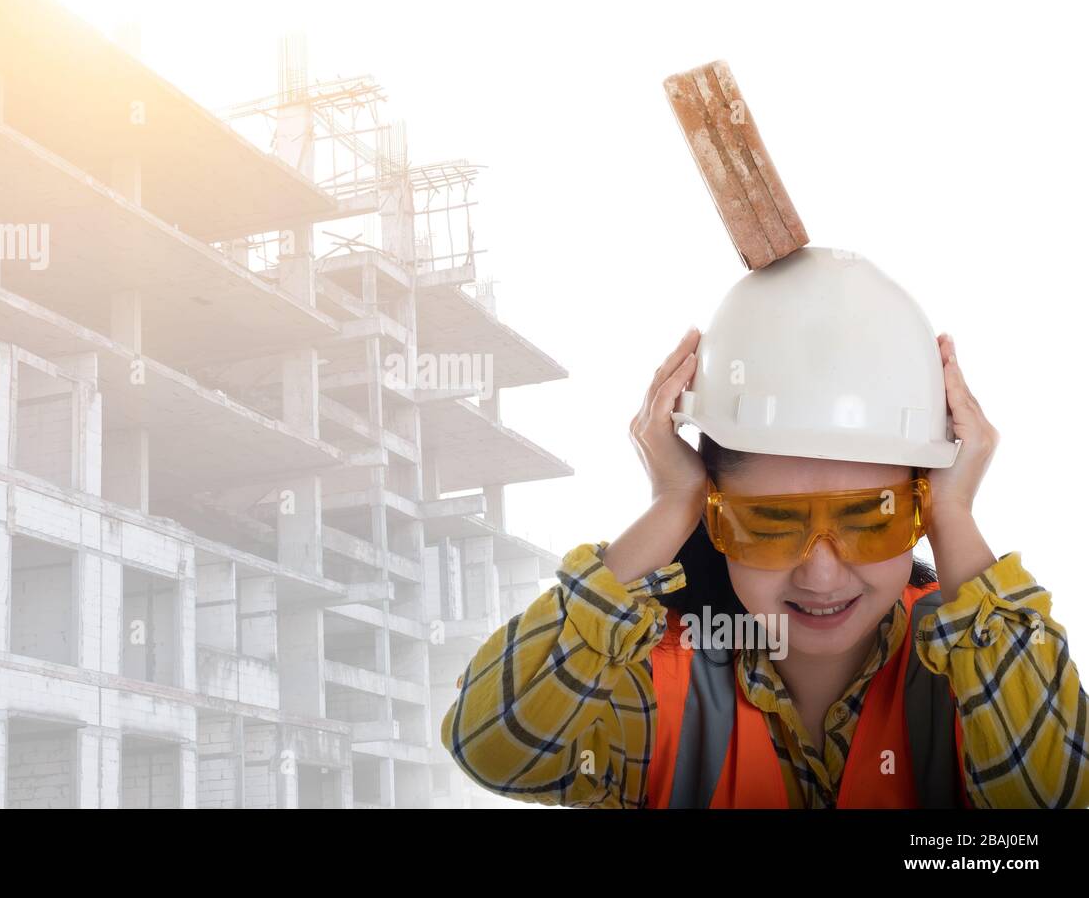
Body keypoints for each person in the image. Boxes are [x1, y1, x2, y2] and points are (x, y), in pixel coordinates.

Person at [440, 248, 1088, 808]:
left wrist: (956, 516)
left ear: (920, 511)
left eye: (869, 519)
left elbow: (1057, 798)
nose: (823, 573)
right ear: (713, 518)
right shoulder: (654, 681)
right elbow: (494, 745)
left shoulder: (972, 677)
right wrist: (672, 500)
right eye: (773, 524)